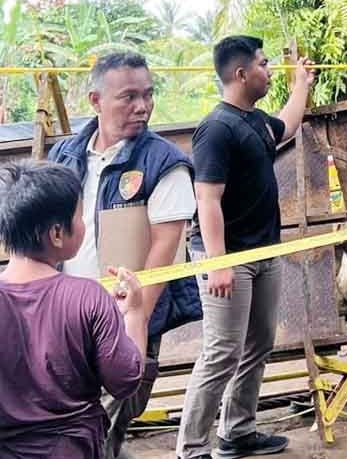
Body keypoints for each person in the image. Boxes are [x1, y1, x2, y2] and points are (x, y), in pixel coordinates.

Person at [48, 51, 199, 459]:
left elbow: (163, 254)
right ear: (95, 101)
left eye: (148, 95)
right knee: (73, 425)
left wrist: (133, 328)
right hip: (67, 316)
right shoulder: (63, 156)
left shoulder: (165, 163)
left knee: (103, 424)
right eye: (128, 96)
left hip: (125, 319)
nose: (143, 106)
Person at [176, 36, 314, 459]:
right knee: (222, 352)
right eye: (264, 64)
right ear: (241, 74)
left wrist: (301, 85)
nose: (268, 70)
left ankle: (237, 432)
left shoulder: (254, 121)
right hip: (227, 257)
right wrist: (218, 264)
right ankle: (192, 448)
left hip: (261, 253)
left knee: (258, 344)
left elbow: (286, 126)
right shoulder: (217, 129)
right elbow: (207, 200)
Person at [0, 161, 146, 459]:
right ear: (57, 233)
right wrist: (134, 315)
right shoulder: (87, 297)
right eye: (80, 216)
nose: (83, 224)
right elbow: (125, 380)